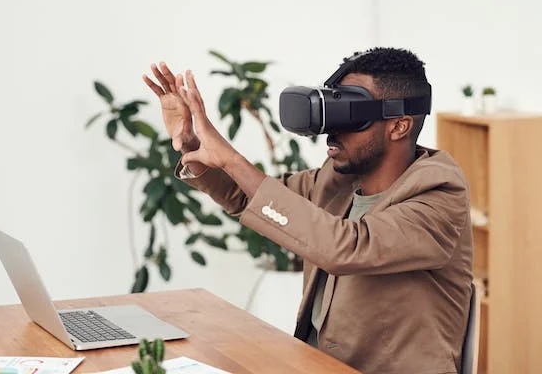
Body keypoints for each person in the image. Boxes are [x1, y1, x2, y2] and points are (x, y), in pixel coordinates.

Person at [143, 47, 473, 374]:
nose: (332, 130)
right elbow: (252, 199)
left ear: (399, 126)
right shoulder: (336, 181)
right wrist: (193, 145)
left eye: (352, 115)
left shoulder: (438, 193)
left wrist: (230, 156)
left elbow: (347, 248)